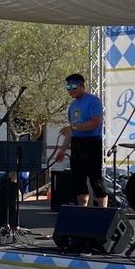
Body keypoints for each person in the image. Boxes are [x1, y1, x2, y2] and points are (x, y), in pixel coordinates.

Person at [54, 73, 108, 207]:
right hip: (77, 145)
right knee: (78, 179)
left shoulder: (93, 101)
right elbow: (71, 132)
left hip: (92, 143)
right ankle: (81, 210)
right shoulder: (72, 106)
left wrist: (72, 127)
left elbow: (95, 122)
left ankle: (104, 211)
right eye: (68, 87)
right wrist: (62, 150)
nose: (71, 90)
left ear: (82, 86)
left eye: (74, 86)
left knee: (95, 179)